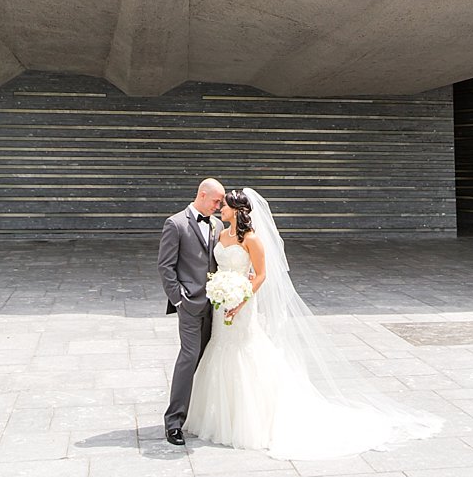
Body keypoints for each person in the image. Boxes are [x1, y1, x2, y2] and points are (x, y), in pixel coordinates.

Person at [184, 188, 441, 459]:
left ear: (236, 210)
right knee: (220, 349)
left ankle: (250, 418)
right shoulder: (221, 233)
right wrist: (221, 291)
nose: (219, 209)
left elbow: (260, 276)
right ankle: (220, 414)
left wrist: (240, 300)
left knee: (244, 352)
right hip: (221, 304)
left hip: (242, 305)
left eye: (223, 205)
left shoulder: (252, 239)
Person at [159, 177, 224, 445]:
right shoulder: (175, 224)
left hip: (216, 305)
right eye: (216, 201)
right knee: (189, 357)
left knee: (207, 359)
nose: (219, 206)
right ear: (202, 194)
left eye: (221, 202)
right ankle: (173, 421)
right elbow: (165, 266)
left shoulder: (218, 225)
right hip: (189, 305)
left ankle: (201, 415)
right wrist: (179, 300)